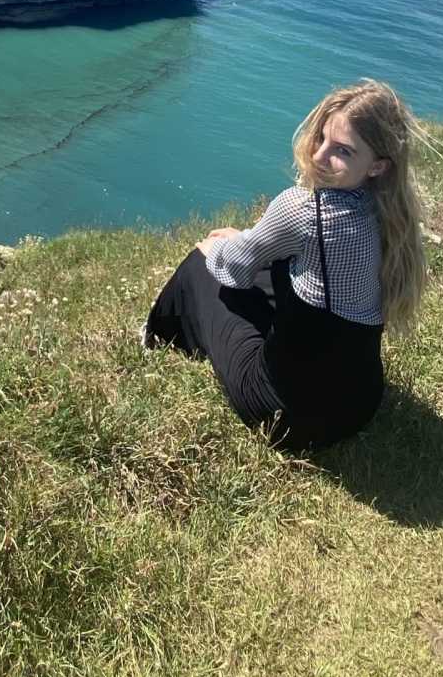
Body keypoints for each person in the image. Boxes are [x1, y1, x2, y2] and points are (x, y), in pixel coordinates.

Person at [142, 79, 428, 452]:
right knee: (270, 267)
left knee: (200, 263)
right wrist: (248, 239)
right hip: (359, 406)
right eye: (322, 138)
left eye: (342, 150)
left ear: (377, 166)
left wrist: (219, 246)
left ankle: (157, 339)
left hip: (287, 417)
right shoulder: (388, 214)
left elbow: (233, 269)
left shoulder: (303, 208)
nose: (319, 156)